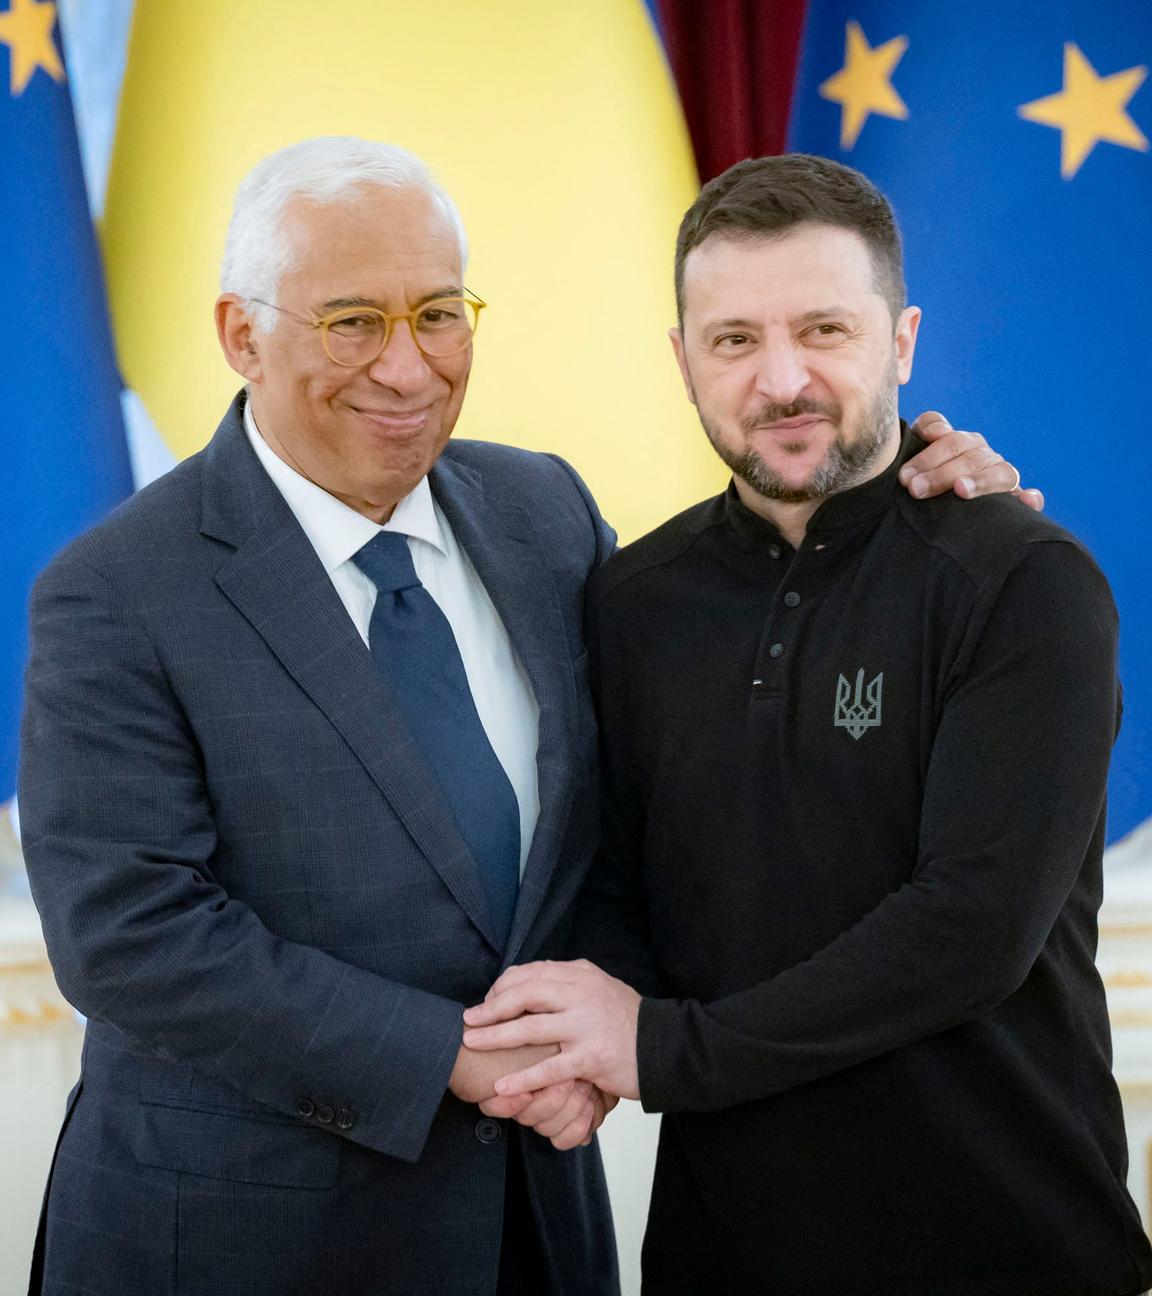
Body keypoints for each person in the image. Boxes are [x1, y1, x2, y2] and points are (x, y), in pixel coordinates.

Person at [20, 138, 1026, 1296]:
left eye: (440, 313)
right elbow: (128, 932)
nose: (407, 367)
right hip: (246, 1241)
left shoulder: (544, 513)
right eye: (352, 321)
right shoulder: (116, 589)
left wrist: (918, 488)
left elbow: (633, 804)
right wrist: (452, 1056)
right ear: (242, 335)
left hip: (535, 1227)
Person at [461, 154, 1152, 1295]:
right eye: (734, 340)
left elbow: (971, 929)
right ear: (682, 364)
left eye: (824, 329)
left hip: (1012, 1246)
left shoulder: (1022, 580)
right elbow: (627, 884)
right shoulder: (634, 601)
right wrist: (573, 1042)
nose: (783, 380)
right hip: (722, 1253)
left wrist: (656, 1050)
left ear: (903, 341)